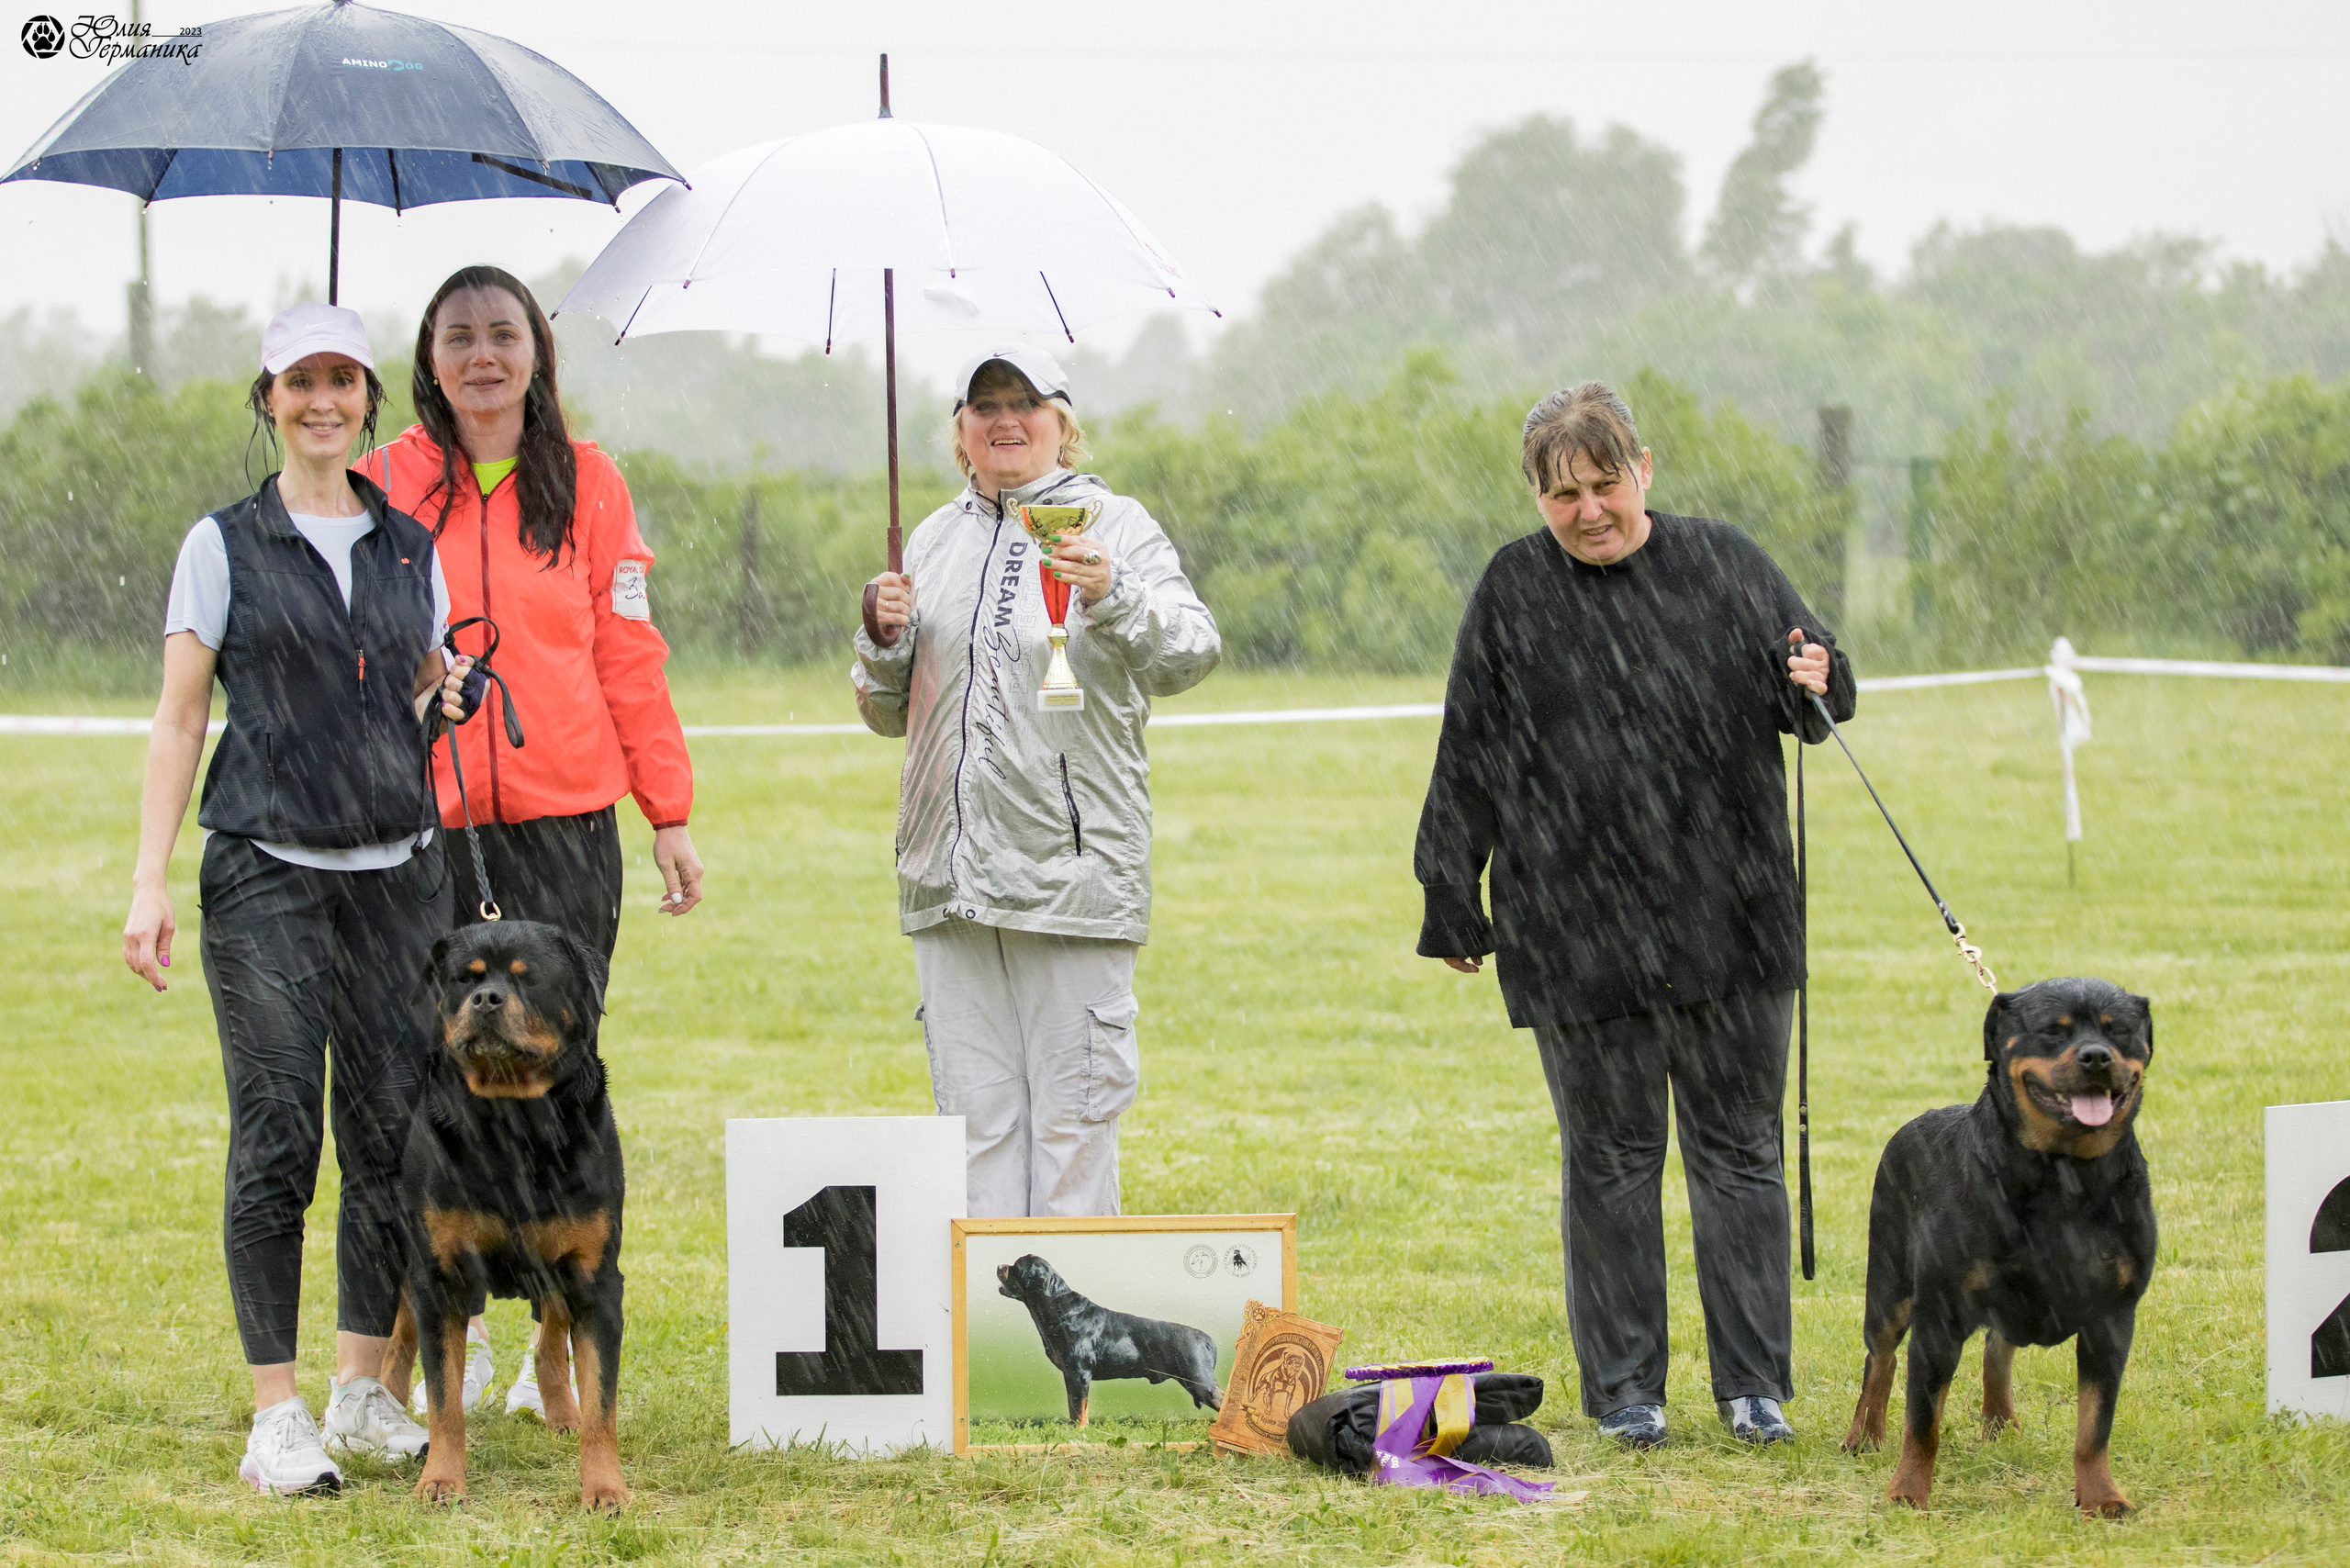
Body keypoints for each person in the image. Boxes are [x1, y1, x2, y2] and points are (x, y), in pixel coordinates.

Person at [1414, 382, 1857, 1450]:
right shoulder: (1513, 590)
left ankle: (1755, 1387)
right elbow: (1467, 744)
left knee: (1739, 1154)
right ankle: (1626, 1394)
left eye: (1603, 484)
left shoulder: (1728, 564)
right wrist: (1449, 892)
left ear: (1642, 471)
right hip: (1573, 928)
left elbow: (1823, 690)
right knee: (1608, 1161)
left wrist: (1818, 674)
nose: (1587, 510)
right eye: (1560, 493)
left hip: (1732, 920)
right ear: (1537, 495)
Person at [121, 304, 476, 1494]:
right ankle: (278, 1414)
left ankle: (363, 1389)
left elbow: (416, 701)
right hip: (266, 870)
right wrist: (147, 879)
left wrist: (450, 694)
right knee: (280, 1135)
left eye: (342, 380)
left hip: (397, 879)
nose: (322, 400)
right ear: (267, 399)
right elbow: (180, 719)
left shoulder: (410, 545)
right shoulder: (221, 545)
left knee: (388, 1139)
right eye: (298, 382)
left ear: (369, 400)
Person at [372, 264, 701, 1417]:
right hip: (433, 816)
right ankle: (421, 1324)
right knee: (433, 1068)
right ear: (430, 357)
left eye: (503, 335)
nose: (482, 357)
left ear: (536, 354)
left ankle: (556, 1345)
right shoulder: (387, 480)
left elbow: (629, 656)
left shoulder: (592, 483)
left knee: (564, 1066)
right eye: (458, 337)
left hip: (568, 818)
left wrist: (666, 811)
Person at [854, 344, 1220, 1217]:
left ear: (1064, 422)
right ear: (959, 431)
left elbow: (1191, 651)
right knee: (973, 1134)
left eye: (1027, 402)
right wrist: (882, 638)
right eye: (984, 405)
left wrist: (1113, 592)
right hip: (950, 885)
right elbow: (884, 711)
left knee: (1073, 1132)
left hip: (1072, 880)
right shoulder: (932, 541)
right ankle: (988, 1352)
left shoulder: (1115, 524)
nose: (1006, 420)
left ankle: (1060, 1357)